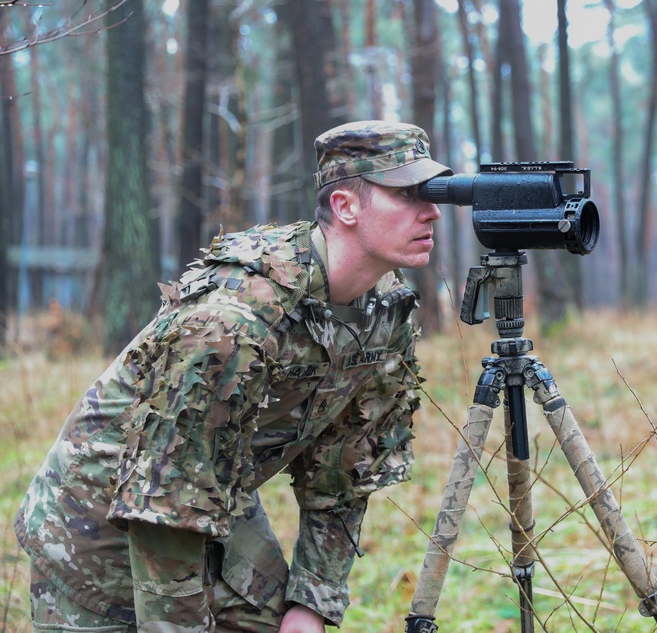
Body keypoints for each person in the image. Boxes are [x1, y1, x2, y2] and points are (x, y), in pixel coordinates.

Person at [16, 120, 450, 632]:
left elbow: (344, 471)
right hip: (93, 522)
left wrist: (312, 604)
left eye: (432, 194)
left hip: (212, 500)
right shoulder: (233, 320)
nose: (432, 212)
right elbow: (165, 503)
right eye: (407, 194)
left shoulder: (382, 314)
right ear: (346, 207)